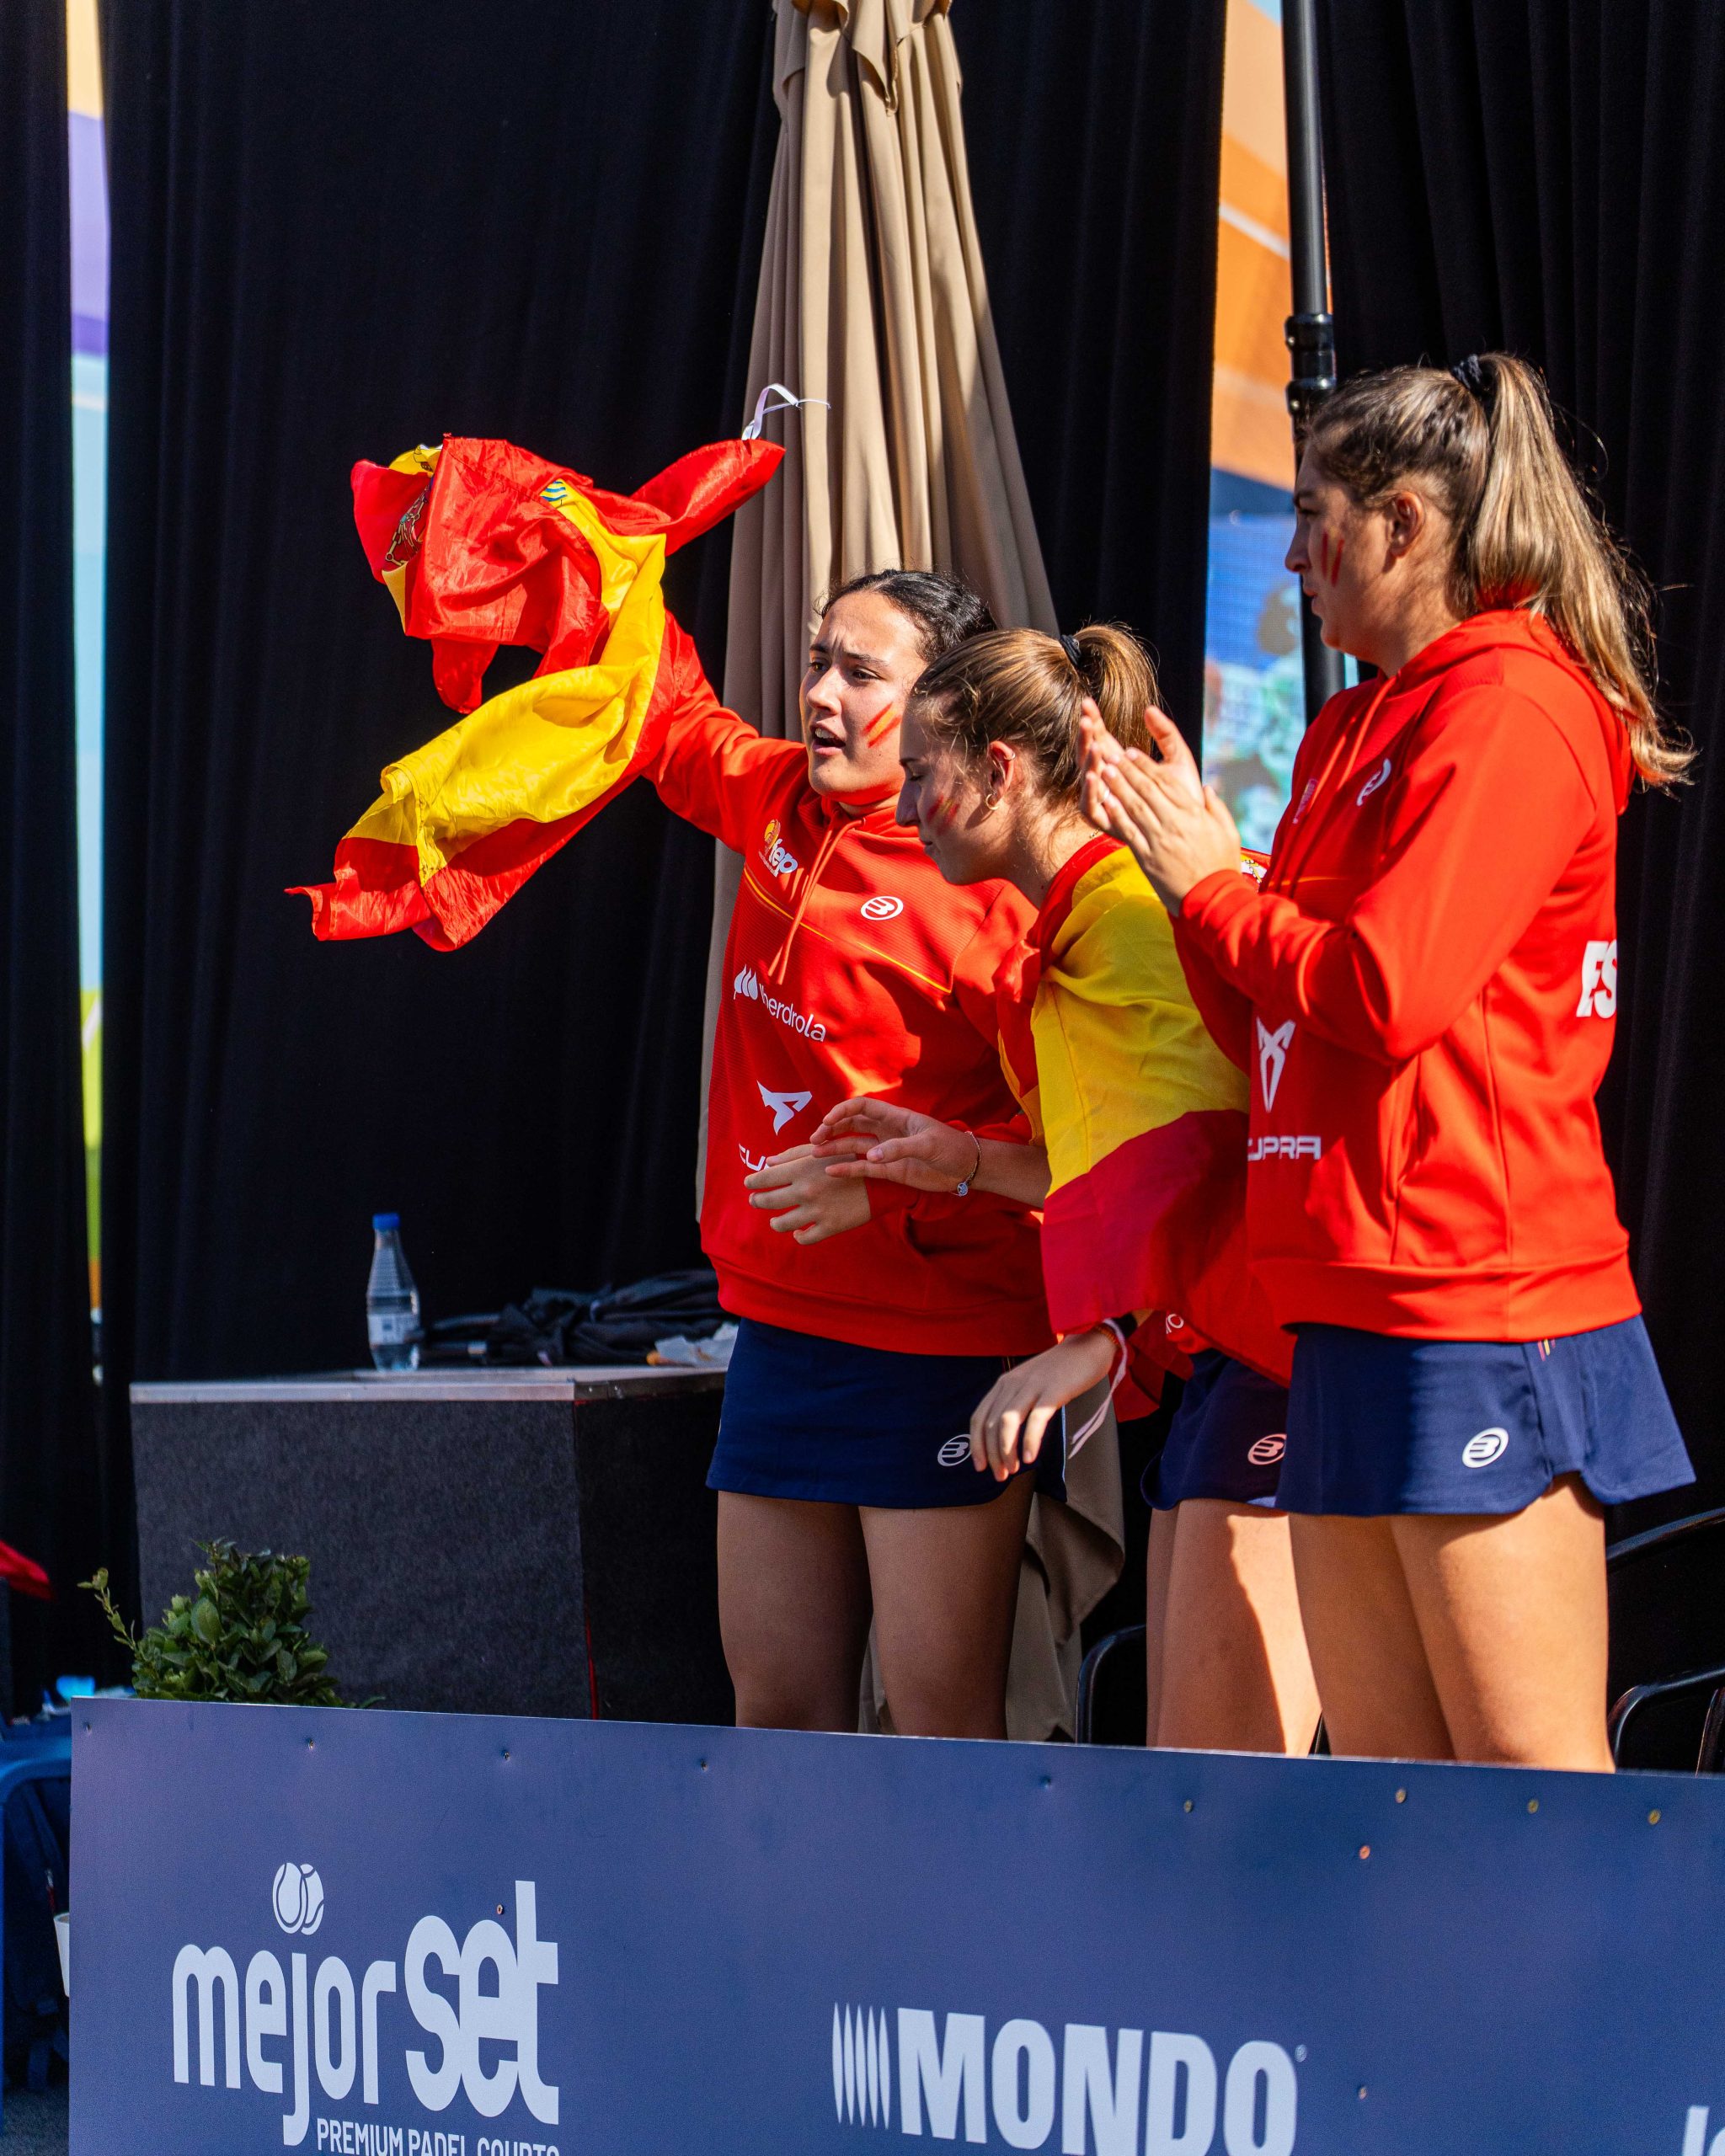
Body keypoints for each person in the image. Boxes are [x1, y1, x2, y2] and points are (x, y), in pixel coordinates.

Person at [1083, 353, 1695, 1769]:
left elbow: (1385, 989)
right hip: (1340, 1305)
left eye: (1313, 515)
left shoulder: (1515, 702)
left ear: (1405, 524)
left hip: (1477, 1302)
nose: (1293, 555)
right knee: (1394, 1802)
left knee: (1529, 1798)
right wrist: (1191, 883)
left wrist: (1215, 888)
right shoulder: (1350, 725)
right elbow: (1274, 1023)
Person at [804, 624, 1319, 1753]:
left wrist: (1099, 1340)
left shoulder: (1130, 918)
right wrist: (961, 1159)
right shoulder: (1086, 920)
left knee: (1227, 1788)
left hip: (1277, 1354)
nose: (905, 807)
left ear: (999, 770)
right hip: (1226, 1356)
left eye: (923, 775)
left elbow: (1225, 1152)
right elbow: (1125, 1151)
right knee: (1200, 1775)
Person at [640, 569, 1055, 1740]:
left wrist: (896, 1181)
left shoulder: (993, 893)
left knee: (935, 1727)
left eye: (860, 673)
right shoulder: (780, 798)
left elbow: (1082, 1150)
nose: (820, 692)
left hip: (943, 1343)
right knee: (777, 1718)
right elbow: (665, 715)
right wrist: (592, 551)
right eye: (819, 660)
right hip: (780, 1331)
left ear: (944, 711)